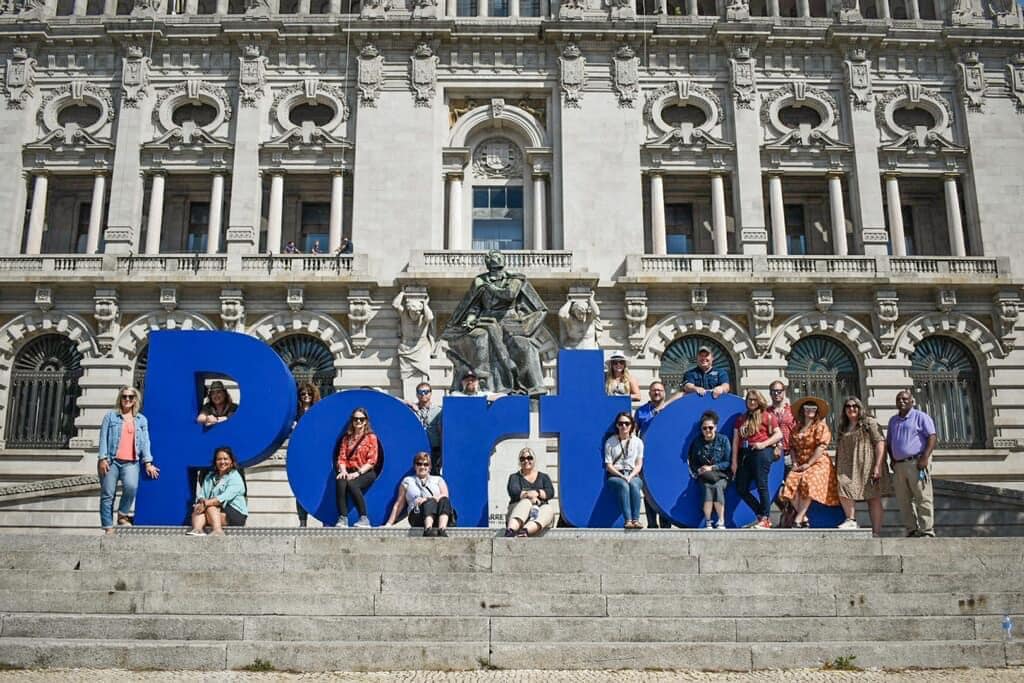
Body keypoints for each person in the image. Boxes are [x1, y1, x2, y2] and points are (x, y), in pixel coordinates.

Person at [97, 387, 159, 534]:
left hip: (131, 462)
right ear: (120, 398)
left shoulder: (141, 420)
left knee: (131, 488)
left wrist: (148, 462)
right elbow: (103, 438)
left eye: (131, 397)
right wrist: (102, 458)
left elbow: (145, 442)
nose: (127, 400)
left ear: (135, 400)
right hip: (111, 461)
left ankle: (122, 514)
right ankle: (108, 527)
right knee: (108, 494)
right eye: (124, 396)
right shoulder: (111, 416)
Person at [836, 396, 892, 535]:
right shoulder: (843, 426)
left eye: (855, 406)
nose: (851, 409)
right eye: (848, 406)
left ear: (860, 408)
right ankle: (851, 520)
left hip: (868, 465)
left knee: (873, 497)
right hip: (848, 466)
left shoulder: (869, 422)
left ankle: (876, 532)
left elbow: (880, 442)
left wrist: (878, 465)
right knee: (843, 486)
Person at [780, 396, 839, 528]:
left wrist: (809, 463)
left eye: (813, 408)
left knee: (808, 480)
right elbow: (792, 448)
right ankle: (804, 517)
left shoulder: (820, 426)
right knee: (790, 482)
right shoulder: (796, 428)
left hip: (818, 462)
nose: (810, 410)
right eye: (807, 408)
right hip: (800, 463)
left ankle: (798, 518)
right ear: (802, 410)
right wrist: (795, 463)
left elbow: (821, 446)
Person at [886, 390, 937, 537]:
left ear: (911, 401)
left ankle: (927, 530)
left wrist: (925, 457)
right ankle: (912, 529)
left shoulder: (921, 417)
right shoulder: (893, 420)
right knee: (903, 500)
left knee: (922, 497)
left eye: (904, 399)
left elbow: (932, 437)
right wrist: (892, 459)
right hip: (899, 465)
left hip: (917, 463)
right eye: (898, 399)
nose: (901, 401)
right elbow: (889, 442)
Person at [731, 390, 783, 529]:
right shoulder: (741, 419)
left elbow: (779, 434)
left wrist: (763, 444)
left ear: (759, 400)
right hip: (745, 454)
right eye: (749, 400)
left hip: (761, 452)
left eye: (754, 399)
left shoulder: (767, 416)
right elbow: (736, 441)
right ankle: (761, 515)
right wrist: (734, 462)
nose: (752, 402)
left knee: (762, 485)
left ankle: (765, 518)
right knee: (741, 487)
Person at [385, 452, 454, 536]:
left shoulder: (438, 480)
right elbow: (399, 504)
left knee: (443, 500)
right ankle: (428, 529)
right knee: (430, 502)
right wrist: (389, 524)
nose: (422, 467)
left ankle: (442, 529)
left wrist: (427, 499)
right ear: (415, 466)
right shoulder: (407, 481)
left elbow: (445, 495)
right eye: (419, 464)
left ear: (430, 467)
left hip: (437, 515)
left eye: (426, 464)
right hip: (417, 515)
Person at [634, 380, 672, 528]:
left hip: (665, 456)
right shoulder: (641, 411)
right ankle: (651, 523)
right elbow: (634, 432)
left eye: (660, 390)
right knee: (648, 489)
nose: (657, 392)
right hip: (646, 456)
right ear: (649, 393)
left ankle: (666, 523)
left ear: (664, 393)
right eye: (654, 390)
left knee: (665, 489)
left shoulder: (670, 410)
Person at [335, 407, 379, 528]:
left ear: (365, 421)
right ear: (352, 421)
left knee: (352, 484)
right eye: (355, 419)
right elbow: (342, 457)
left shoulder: (371, 438)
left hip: (366, 471)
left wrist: (358, 473)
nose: (358, 422)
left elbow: (372, 460)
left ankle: (364, 518)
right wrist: (343, 470)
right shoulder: (347, 438)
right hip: (349, 470)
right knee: (341, 481)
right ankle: (343, 518)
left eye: (361, 419)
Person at [188, 446, 247, 536]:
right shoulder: (210, 476)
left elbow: (223, 498)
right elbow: (202, 494)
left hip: (234, 513)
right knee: (197, 510)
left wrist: (205, 504)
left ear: (231, 461)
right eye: (219, 459)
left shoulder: (235, 477)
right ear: (215, 462)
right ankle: (198, 530)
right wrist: (201, 503)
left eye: (225, 459)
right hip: (213, 511)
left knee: (210, 507)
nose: (222, 462)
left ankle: (218, 531)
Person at [688, 410, 731, 529]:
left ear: (715, 427)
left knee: (717, 487)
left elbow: (727, 462)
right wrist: (698, 470)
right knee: (707, 487)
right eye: (704, 428)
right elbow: (692, 461)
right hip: (705, 476)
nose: (707, 431)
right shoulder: (697, 442)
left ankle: (721, 521)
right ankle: (708, 521)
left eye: (710, 428)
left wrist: (712, 467)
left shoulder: (723, 440)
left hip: (721, 475)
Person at [603, 411, 645, 529]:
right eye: (620, 423)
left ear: (632, 425)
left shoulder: (638, 442)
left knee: (634, 484)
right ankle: (628, 521)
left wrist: (630, 476)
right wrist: (622, 476)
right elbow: (609, 465)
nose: (624, 426)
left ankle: (636, 520)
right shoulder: (611, 442)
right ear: (616, 425)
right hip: (615, 475)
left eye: (627, 423)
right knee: (623, 485)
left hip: (633, 474)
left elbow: (639, 464)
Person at [504, 447, 556, 537]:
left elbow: (550, 492)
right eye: (522, 459)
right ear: (519, 462)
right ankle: (511, 531)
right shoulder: (514, 477)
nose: (526, 461)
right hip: (519, 513)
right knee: (526, 502)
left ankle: (525, 531)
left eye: (529, 458)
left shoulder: (544, 477)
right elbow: (514, 492)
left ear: (534, 460)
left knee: (548, 509)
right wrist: (531, 497)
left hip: (538, 515)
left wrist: (537, 493)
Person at [766, 380, 797, 526]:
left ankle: (790, 517)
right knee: (774, 487)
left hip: (790, 454)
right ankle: (786, 510)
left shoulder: (792, 411)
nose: (776, 394)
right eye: (773, 391)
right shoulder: (766, 412)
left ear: (784, 392)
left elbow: (797, 432)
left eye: (779, 391)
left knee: (791, 486)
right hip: (773, 455)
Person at [294, 382, 321, 527]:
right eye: (303, 394)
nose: (306, 396)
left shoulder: (318, 410)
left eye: (309, 394)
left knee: (320, 487)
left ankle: (325, 520)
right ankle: (302, 521)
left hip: (316, 453)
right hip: (300, 453)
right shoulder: (295, 411)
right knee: (300, 488)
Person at [408, 381, 442, 474]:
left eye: (426, 392)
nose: (423, 394)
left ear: (431, 393)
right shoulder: (411, 409)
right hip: (417, 448)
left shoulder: (439, 410)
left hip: (434, 449)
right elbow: (395, 400)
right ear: (417, 394)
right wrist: (409, 403)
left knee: (434, 473)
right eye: (420, 392)